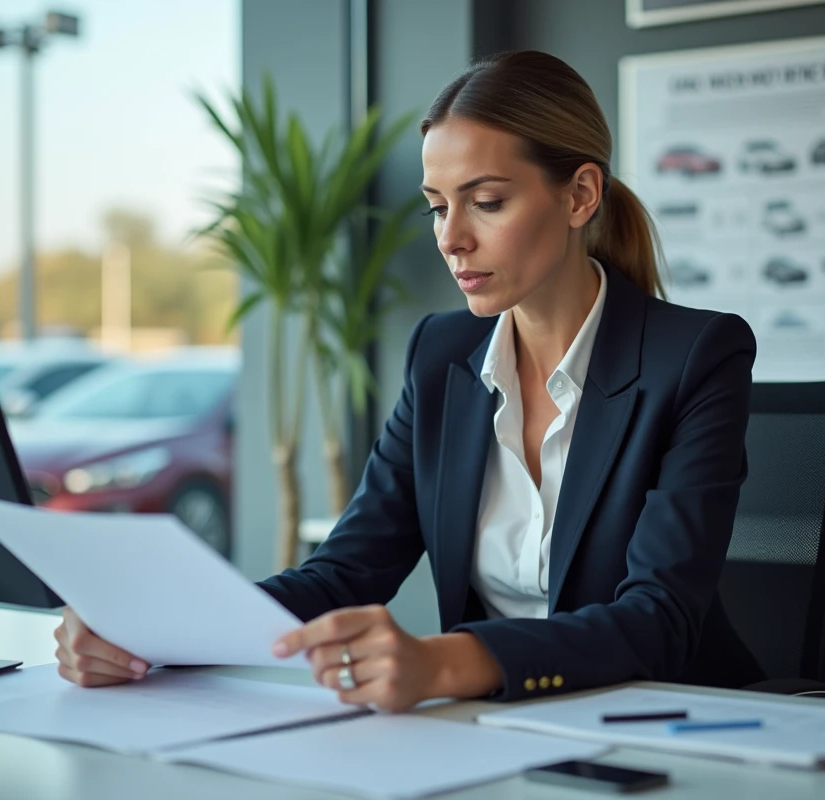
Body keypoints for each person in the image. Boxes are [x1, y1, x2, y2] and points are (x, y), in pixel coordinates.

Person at [53, 50, 765, 711]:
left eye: (486, 202)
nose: (451, 237)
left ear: (580, 195)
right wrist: (161, 628)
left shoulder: (697, 355)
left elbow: (657, 620)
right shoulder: (442, 356)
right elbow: (345, 572)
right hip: (499, 728)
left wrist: (446, 664)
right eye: (437, 204)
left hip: (674, 725)